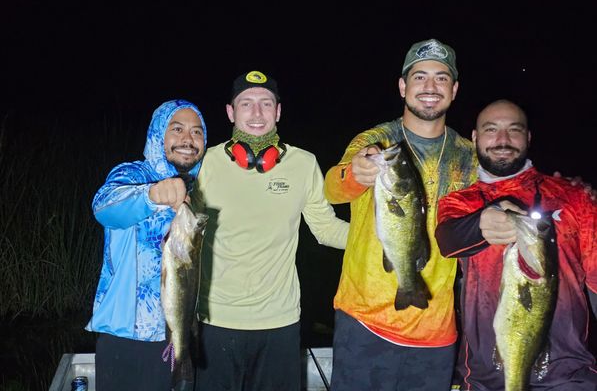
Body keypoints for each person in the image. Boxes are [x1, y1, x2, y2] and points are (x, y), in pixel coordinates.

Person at [324, 38, 477, 390]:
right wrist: (355, 175)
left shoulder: (468, 156)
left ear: (453, 89)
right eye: (420, 76)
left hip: (435, 331)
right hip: (363, 321)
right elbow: (332, 187)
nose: (430, 87)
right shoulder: (376, 140)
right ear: (402, 86)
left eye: (441, 78)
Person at [192, 70, 349, 391]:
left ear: (278, 111)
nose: (257, 113)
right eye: (246, 103)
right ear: (230, 112)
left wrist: (382, 238)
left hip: (281, 322)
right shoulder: (204, 163)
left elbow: (326, 229)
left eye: (266, 103)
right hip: (215, 321)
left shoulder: (304, 164)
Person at [435, 99, 597, 390]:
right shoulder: (459, 202)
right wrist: (480, 225)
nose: (502, 140)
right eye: (491, 129)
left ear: (528, 137)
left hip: (569, 375)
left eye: (514, 130)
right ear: (475, 137)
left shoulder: (574, 197)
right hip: (484, 377)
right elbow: (448, 240)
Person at [85, 99, 207, 391]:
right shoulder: (132, 175)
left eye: (197, 132)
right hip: (127, 342)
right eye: (176, 129)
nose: (188, 139)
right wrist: (151, 195)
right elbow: (104, 207)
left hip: (179, 335)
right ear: (158, 134)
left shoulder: (198, 191)